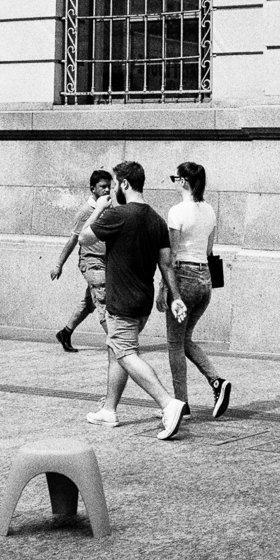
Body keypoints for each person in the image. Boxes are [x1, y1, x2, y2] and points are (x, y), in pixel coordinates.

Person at [78, 160, 188, 441]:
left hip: (122, 300)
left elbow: (85, 238)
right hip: (142, 302)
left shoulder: (118, 215)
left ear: (125, 184)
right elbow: (166, 264)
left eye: (114, 184)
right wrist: (175, 297)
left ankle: (168, 404)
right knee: (117, 349)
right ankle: (109, 410)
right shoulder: (156, 219)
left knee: (126, 353)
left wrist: (101, 208)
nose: (112, 189)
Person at [159, 161, 231, 418]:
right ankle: (216, 382)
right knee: (184, 339)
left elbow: (171, 255)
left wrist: (163, 289)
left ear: (183, 181)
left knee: (174, 344)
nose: (173, 182)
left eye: (174, 178)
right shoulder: (210, 210)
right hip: (205, 280)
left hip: (183, 277)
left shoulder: (177, 211)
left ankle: (182, 404)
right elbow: (209, 250)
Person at [50, 169, 112, 352]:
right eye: (103, 187)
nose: (107, 190)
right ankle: (118, 342)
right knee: (103, 297)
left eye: (109, 186)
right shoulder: (85, 211)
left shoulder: (109, 208)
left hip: (106, 262)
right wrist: (58, 265)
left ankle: (66, 333)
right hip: (91, 262)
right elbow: (73, 240)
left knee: (89, 302)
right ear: (93, 188)